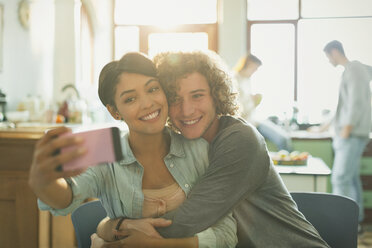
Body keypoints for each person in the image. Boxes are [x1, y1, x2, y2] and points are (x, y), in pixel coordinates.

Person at [99, 50, 329, 247]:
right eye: (175, 99)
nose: (187, 110)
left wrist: (116, 230)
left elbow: (189, 220)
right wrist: (114, 225)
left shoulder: (239, 139)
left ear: (216, 96)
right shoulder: (185, 147)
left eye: (197, 96)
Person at [28, 52, 238, 248]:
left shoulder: (198, 147)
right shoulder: (102, 145)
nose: (147, 103)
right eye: (130, 99)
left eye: (153, 89)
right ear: (114, 111)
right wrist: (44, 181)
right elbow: (67, 195)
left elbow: (227, 234)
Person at [318, 40, 372, 228]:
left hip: (351, 133)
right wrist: (324, 128)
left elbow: (356, 101)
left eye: (327, 57)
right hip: (352, 132)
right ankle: (355, 220)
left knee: (340, 178)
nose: (328, 61)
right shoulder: (349, 71)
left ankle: (345, 223)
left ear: (334, 52)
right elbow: (341, 107)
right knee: (351, 177)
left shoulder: (354, 68)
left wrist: (346, 130)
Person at [233, 54, 293, 152]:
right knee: (280, 141)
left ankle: (291, 163)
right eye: (255, 68)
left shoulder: (246, 80)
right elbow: (237, 109)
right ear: (248, 64)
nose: (255, 71)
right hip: (245, 123)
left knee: (284, 139)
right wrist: (253, 102)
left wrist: (254, 101)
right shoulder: (234, 79)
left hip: (254, 121)